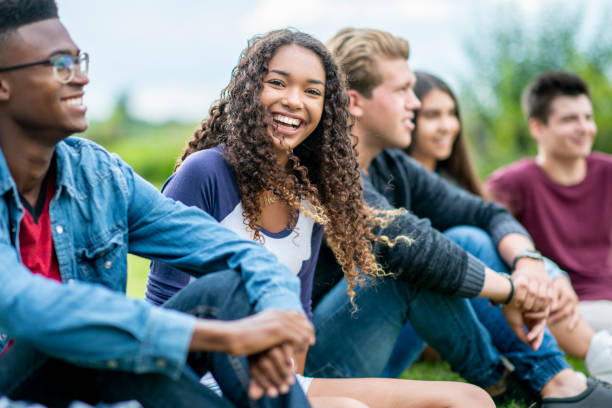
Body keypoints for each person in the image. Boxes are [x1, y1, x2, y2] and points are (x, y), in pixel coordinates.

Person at [146, 28, 495, 408]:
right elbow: (165, 310)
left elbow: (301, 315)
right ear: (248, 91)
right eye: (278, 83)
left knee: (470, 400)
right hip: (204, 383)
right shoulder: (205, 173)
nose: (294, 101)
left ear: (327, 107)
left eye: (312, 91)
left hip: (282, 383)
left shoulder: (310, 194)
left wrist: (293, 390)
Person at [0, 1, 317, 407]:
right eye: (59, 63)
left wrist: (272, 325)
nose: (80, 78)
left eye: (79, 60)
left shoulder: (97, 175)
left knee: (225, 290)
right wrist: (225, 336)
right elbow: (29, 308)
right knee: (109, 348)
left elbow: (237, 253)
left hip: (97, 372)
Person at [305, 27, 612, 408]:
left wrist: (532, 265)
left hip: (373, 349)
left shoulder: (390, 163)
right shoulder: (321, 167)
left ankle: (557, 382)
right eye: (402, 91)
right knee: (405, 262)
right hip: (317, 369)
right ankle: (505, 385)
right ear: (355, 102)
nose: (412, 104)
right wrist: (513, 292)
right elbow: (406, 241)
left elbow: (483, 212)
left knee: (469, 235)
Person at [388, 70, 612, 383]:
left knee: (497, 255)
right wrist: (524, 286)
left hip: (473, 307)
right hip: (412, 320)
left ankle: (577, 361)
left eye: (452, 113)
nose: (447, 125)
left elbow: (494, 224)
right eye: (432, 115)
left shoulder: (451, 188)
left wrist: (546, 272)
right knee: (468, 240)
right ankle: (590, 360)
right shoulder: (389, 182)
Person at [486, 70, 612, 380]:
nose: (584, 128)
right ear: (538, 128)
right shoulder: (510, 183)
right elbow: (487, 242)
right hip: (561, 306)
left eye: (587, 117)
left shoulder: (607, 172)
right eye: (570, 119)